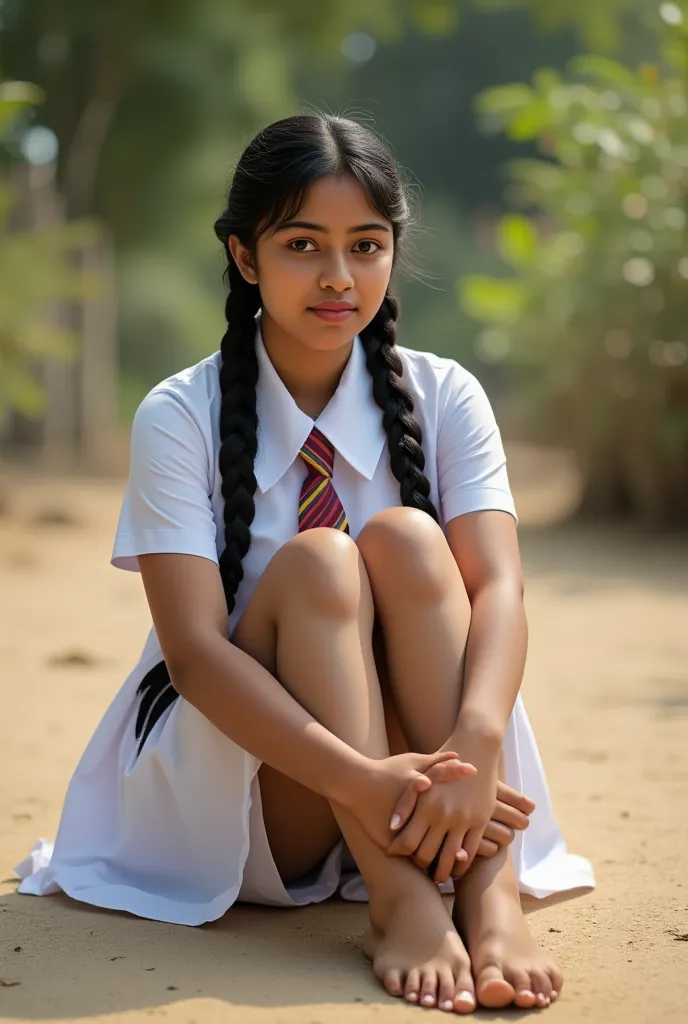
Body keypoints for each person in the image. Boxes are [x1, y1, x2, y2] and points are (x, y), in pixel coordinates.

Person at [15, 114, 594, 1014]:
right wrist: (362, 779)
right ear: (245, 258)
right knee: (323, 560)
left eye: (366, 245)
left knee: (404, 537)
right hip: (258, 788)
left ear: (393, 253)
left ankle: (488, 899)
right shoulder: (181, 414)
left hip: (440, 780)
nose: (338, 277)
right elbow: (198, 657)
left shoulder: (444, 396)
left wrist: (479, 744)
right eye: (301, 245)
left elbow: (500, 588)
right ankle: (403, 906)